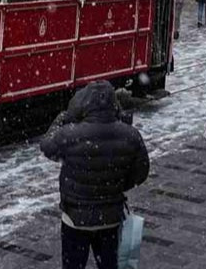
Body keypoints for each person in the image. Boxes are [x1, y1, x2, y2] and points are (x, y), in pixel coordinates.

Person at [40, 81, 150, 269]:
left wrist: (63, 118)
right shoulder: (130, 135)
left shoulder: (70, 134)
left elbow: (47, 146)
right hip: (111, 218)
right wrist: (118, 184)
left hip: (75, 219)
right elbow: (141, 172)